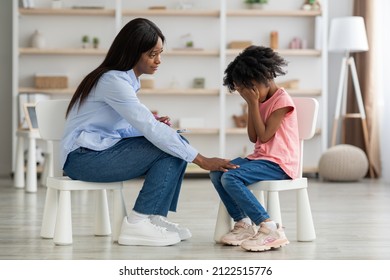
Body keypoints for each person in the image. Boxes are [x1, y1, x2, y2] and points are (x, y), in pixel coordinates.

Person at [61, 18, 238, 247]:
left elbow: (122, 127)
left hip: (95, 151)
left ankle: (154, 218)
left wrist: (151, 123)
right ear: (133, 52)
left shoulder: (126, 80)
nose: (158, 61)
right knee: (171, 148)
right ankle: (138, 222)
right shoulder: (113, 80)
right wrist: (202, 160)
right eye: (152, 54)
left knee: (173, 142)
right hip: (82, 159)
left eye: (160, 53)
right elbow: (148, 129)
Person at [210, 45, 298, 252]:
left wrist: (252, 104)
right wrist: (253, 104)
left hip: (280, 163)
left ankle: (269, 226)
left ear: (265, 75)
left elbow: (265, 136)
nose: (247, 94)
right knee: (217, 171)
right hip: (261, 159)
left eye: (248, 88)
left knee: (231, 178)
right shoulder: (260, 100)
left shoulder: (282, 101)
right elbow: (253, 137)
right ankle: (243, 224)